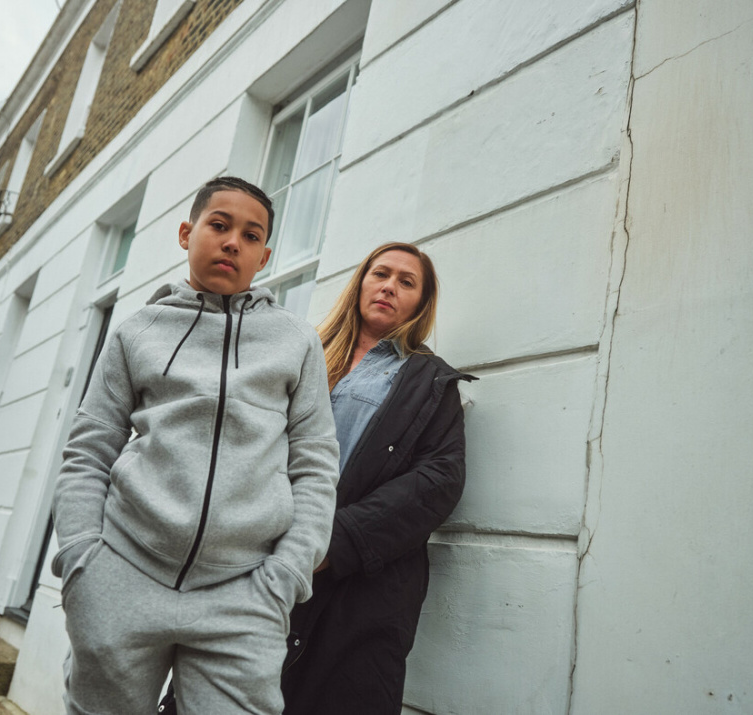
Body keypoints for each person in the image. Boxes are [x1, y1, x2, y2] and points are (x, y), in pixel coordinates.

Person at [50, 176, 340, 715]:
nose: (233, 242)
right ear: (187, 233)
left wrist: (286, 576)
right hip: (122, 576)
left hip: (245, 594)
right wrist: (81, 561)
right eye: (219, 225)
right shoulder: (137, 331)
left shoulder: (296, 342)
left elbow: (317, 466)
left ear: (264, 255)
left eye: (251, 236)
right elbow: (88, 451)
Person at [280, 242, 474, 715]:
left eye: (407, 282)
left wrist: (334, 544)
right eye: (381, 274)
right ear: (361, 283)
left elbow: (438, 481)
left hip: (356, 591)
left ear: (421, 304)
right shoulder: (300, 353)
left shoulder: (427, 380)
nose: (390, 286)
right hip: (262, 560)